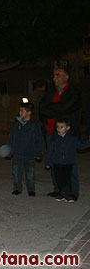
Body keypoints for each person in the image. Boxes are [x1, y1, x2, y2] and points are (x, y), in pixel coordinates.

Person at [40, 66, 82, 200]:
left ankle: (73, 191)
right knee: (54, 160)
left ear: (67, 77)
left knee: (70, 162)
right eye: (54, 75)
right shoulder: (50, 92)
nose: (55, 78)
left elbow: (66, 107)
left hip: (67, 132)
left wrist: (51, 108)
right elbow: (42, 108)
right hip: (51, 131)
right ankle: (58, 189)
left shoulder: (73, 92)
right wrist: (56, 109)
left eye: (58, 75)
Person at [45, 118, 90, 202]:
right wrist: (48, 162)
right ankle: (61, 193)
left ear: (67, 128)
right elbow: (50, 150)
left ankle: (73, 194)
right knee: (59, 178)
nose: (59, 129)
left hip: (70, 162)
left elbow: (81, 145)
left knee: (72, 178)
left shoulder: (72, 138)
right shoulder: (54, 138)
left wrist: (88, 142)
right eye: (57, 127)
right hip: (57, 162)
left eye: (61, 127)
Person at [6, 102, 43, 196]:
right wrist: (9, 151)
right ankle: (17, 188)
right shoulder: (16, 124)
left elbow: (39, 140)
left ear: (29, 112)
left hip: (29, 153)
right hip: (17, 153)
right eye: (20, 110)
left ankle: (31, 189)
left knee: (30, 173)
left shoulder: (34, 125)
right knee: (16, 172)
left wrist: (38, 153)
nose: (20, 112)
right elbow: (11, 138)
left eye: (22, 111)